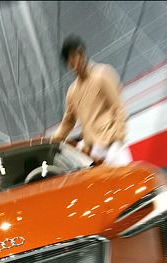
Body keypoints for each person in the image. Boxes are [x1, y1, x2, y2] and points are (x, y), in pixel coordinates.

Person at [51, 35, 132, 167]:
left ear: (83, 54)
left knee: (127, 179)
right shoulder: (72, 91)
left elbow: (118, 108)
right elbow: (68, 122)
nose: (77, 60)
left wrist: (118, 140)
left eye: (79, 54)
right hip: (93, 153)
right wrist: (51, 141)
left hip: (113, 147)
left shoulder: (103, 74)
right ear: (68, 64)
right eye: (72, 58)